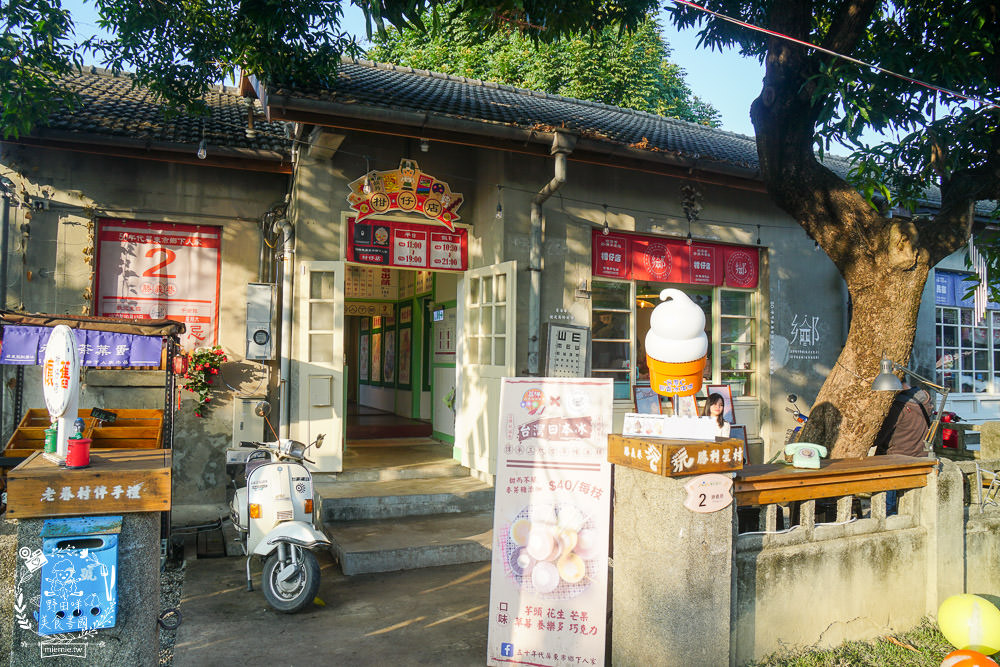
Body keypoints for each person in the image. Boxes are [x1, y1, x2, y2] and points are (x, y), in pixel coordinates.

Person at [873, 382, 934, 458]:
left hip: (897, 458)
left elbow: (875, 440)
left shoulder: (897, 407)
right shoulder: (924, 400)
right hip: (921, 456)